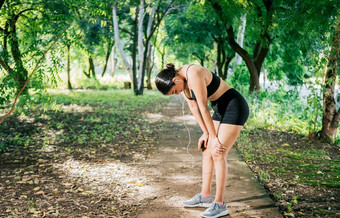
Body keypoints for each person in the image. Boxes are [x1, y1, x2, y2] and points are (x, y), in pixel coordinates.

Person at [155, 63, 249, 218]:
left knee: (218, 152)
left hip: (234, 105)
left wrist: (214, 137)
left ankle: (220, 204)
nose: (177, 94)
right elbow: (194, 107)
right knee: (207, 150)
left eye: (174, 91)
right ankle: (205, 197)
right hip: (219, 108)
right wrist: (206, 133)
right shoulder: (182, 81)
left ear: (176, 80)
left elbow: (203, 107)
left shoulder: (193, 73)